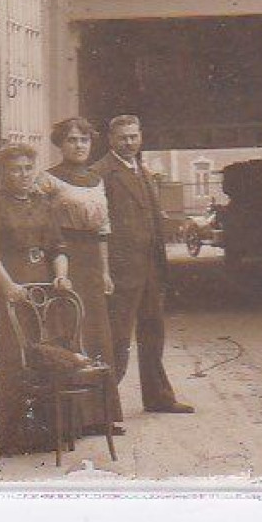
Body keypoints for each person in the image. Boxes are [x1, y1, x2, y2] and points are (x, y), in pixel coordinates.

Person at [92, 115, 194, 415]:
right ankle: (105, 408)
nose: (129, 142)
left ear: (141, 137)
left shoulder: (143, 171)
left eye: (134, 136)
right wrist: (105, 270)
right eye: (122, 137)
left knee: (153, 332)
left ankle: (158, 397)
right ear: (110, 139)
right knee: (118, 337)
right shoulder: (102, 173)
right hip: (122, 269)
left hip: (150, 266)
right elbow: (100, 226)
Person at [0, 142, 72, 456]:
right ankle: (11, 437)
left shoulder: (44, 203)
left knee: (48, 355)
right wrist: (8, 286)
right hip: (12, 290)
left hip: (45, 293)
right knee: (13, 359)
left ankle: (49, 434)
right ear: (2, 173)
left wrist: (61, 275)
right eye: (14, 169)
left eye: (27, 169)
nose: (22, 175)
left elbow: (58, 247)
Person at [44, 116, 124, 437]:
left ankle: (100, 417)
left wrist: (105, 271)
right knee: (71, 332)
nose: (79, 146)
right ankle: (73, 419)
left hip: (92, 263)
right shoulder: (48, 180)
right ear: (60, 144)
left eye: (84, 140)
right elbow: (43, 228)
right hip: (65, 259)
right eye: (72, 140)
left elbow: (103, 229)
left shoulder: (96, 179)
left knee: (97, 335)